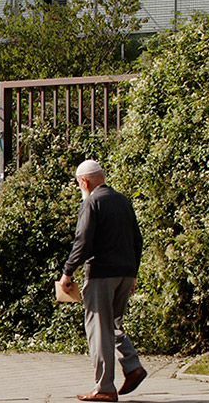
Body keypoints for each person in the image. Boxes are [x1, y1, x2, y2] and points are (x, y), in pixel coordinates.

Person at [56, 159, 146, 402]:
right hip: (126, 272)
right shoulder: (123, 201)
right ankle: (133, 366)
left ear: (84, 182)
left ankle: (105, 387)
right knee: (112, 325)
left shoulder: (92, 202)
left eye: (78, 183)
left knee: (97, 329)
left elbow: (83, 240)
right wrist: (133, 273)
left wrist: (67, 272)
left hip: (102, 274)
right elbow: (137, 239)